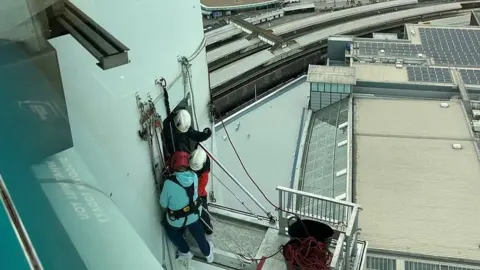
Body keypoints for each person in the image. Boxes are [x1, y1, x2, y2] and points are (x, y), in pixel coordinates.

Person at [159, 151, 214, 264]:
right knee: (198, 233)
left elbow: (163, 205)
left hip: (176, 220)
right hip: (193, 215)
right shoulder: (194, 176)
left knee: (171, 232)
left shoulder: (168, 183)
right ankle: (208, 254)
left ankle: (186, 252)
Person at [189, 148, 213, 235]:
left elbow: (200, 189)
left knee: (203, 211)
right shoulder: (195, 158)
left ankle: (207, 226)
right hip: (191, 190)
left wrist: (194, 196)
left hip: (200, 194)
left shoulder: (204, 175)